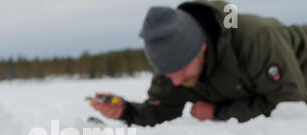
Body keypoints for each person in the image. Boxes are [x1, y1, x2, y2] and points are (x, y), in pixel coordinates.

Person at [90, 0, 307, 126]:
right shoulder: (173, 68)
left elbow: (290, 107)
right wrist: (126, 110)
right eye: (167, 72)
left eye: (180, 69)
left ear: (201, 47)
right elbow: (163, 109)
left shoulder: (255, 40)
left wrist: (218, 113)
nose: (175, 81)